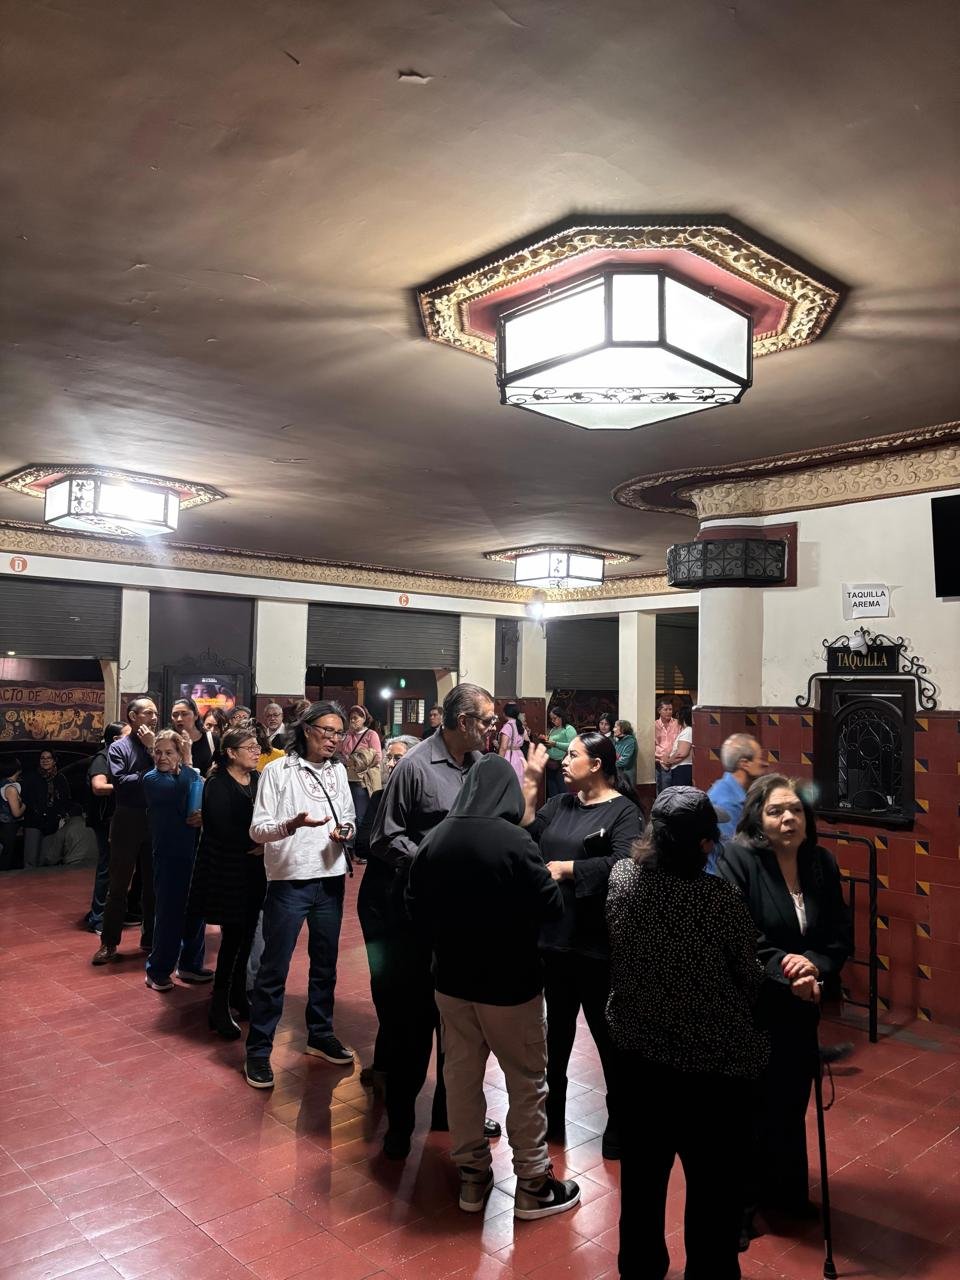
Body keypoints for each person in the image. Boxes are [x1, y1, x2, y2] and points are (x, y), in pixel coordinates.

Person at [606, 787, 772, 1280]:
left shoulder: (622, 878)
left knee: (641, 1188)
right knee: (713, 1193)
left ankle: (640, 1270)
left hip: (639, 1062)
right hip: (711, 1071)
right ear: (703, 844)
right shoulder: (718, 900)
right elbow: (749, 977)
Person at [406, 755, 581, 1221]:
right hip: (510, 983)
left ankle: (472, 1175)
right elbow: (550, 906)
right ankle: (534, 1184)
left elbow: (414, 908)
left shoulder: (435, 838)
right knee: (526, 1080)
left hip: (451, 982)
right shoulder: (514, 840)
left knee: (461, 1078)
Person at [369, 681, 503, 1158]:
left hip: (463, 921)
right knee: (412, 1024)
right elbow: (384, 838)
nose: (493, 728)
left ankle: (452, 1111)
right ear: (463, 722)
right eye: (487, 720)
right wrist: (433, 858)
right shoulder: (415, 766)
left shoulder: (481, 766)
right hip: (417, 919)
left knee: (461, 1027)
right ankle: (400, 1126)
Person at [718, 775, 853, 1222]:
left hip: (800, 1005)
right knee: (748, 1107)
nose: (788, 818)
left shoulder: (821, 863)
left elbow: (838, 934)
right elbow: (741, 935)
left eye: (795, 809)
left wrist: (812, 965)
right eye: (776, 811)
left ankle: (787, 1195)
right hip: (751, 1005)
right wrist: (786, 969)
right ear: (758, 818)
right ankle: (740, 1208)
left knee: (791, 1102)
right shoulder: (738, 859)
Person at [521, 732, 643, 1159]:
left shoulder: (624, 811)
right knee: (555, 1038)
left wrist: (570, 868)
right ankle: (551, 1119)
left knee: (609, 1039)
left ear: (596, 765)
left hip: (596, 944)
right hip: (554, 939)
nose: (564, 760)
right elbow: (527, 835)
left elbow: (626, 864)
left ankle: (620, 1123)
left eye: (572, 754)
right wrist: (531, 782)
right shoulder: (560, 804)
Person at [243, 701, 356, 1089]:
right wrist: (290, 825)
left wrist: (345, 831)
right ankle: (259, 1050)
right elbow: (257, 830)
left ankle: (320, 1034)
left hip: (330, 880)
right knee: (274, 968)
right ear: (307, 730)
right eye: (327, 731)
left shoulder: (338, 771)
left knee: (325, 965)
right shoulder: (277, 771)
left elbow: (348, 816)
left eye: (339, 733)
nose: (333, 739)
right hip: (290, 881)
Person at [188, 725, 266, 1039]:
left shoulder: (257, 779)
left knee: (248, 933)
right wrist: (258, 841)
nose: (257, 751)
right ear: (231, 753)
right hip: (227, 867)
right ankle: (218, 1005)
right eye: (250, 747)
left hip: (254, 868)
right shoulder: (217, 783)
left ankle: (237, 994)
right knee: (232, 937)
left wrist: (266, 842)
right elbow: (221, 828)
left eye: (257, 746)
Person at [92, 698, 159, 965]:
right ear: (133, 716)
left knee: (153, 885)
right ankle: (109, 943)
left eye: (156, 712)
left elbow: (171, 773)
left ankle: (151, 939)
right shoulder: (119, 747)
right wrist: (152, 773)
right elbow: (120, 782)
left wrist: (152, 749)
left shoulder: (159, 743)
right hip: (127, 818)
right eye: (148, 712)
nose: (154, 717)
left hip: (155, 818)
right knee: (118, 885)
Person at [142, 730, 209, 992]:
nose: (162, 757)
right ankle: (157, 971)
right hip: (168, 855)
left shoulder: (186, 776)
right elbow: (182, 788)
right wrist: (189, 761)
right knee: (169, 915)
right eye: (157, 752)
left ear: (177, 754)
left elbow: (199, 793)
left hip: (193, 852)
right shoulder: (152, 779)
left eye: (169, 752)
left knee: (196, 911)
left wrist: (203, 814)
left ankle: (190, 964)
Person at [81, 723, 126, 931]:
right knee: (107, 867)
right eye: (128, 735)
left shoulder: (118, 757)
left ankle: (98, 912)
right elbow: (98, 787)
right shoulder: (103, 758)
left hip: (114, 819)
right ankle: (98, 918)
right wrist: (128, 784)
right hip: (105, 820)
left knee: (114, 867)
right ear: (116, 740)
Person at [708, 734, 768, 839]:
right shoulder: (727, 804)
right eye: (760, 758)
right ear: (745, 764)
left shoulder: (737, 793)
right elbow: (728, 847)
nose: (765, 764)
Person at [22, 749, 71, 867]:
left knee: (46, 859)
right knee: (30, 858)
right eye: (42, 758)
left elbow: (65, 799)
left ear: (54, 761)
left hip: (52, 823)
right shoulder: (32, 777)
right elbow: (25, 798)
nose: (45, 760)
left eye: (48, 758)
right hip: (33, 822)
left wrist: (60, 815)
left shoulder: (60, 778)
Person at [341, 704, 382, 846]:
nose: (353, 721)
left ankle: (361, 846)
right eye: (351, 718)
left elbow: (377, 757)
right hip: (347, 778)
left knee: (361, 814)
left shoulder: (371, 734)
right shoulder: (347, 735)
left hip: (362, 780)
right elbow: (341, 751)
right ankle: (349, 845)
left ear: (364, 719)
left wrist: (358, 762)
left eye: (356, 718)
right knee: (348, 813)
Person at [37, 802, 99, 866]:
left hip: (74, 865)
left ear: (67, 815)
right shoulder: (92, 827)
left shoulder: (64, 830)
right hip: (95, 864)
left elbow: (51, 859)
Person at [170, 697, 218, 777]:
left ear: (196, 715)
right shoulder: (169, 741)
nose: (179, 719)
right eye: (175, 715)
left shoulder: (212, 739)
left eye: (184, 714)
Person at [544, 708, 576, 799]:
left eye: (555, 718)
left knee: (563, 789)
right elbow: (551, 743)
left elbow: (572, 745)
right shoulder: (553, 729)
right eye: (551, 719)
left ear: (561, 716)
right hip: (550, 763)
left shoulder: (569, 729)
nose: (553, 721)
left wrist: (555, 744)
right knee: (552, 791)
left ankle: (565, 806)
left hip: (562, 763)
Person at [0, 758, 25, 871]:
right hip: (8, 827)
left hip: (3, 825)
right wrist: (24, 805)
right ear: (18, 769)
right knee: (6, 858)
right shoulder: (11, 789)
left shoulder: (2, 784)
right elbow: (16, 813)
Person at [497, 701, 528, 786]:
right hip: (520, 756)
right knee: (519, 781)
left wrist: (498, 763)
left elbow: (503, 747)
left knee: (508, 782)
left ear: (505, 713)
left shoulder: (508, 726)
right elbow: (527, 740)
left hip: (509, 756)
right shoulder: (520, 725)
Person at [664, 705, 693, 787]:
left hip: (683, 769)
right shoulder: (686, 730)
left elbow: (681, 753)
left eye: (678, 715)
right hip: (679, 768)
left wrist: (668, 761)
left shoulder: (688, 731)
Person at [654, 701, 680, 793]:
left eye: (670, 709)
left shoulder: (677, 723)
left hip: (675, 761)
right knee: (662, 789)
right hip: (659, 762)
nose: (669, 712)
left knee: (674, 790)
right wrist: (661, 758)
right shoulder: (654, 725)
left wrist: (672, 758)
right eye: (666, 709)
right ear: (659, 711)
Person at [612, 719, 638, 788]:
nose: (613, 729)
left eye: (615, 727)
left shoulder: (630, 741)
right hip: (619, 775)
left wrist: (611, 765)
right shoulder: (618, 741)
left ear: (623, 729)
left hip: (627, 776)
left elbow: (624, 761)